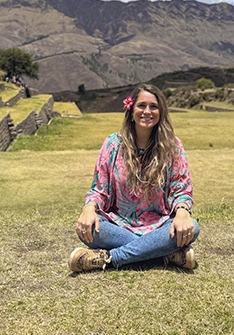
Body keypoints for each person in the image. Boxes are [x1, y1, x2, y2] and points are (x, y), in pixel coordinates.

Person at [69, 83, 199, 273]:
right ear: (131, 110)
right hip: (118, 225)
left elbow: (181, 188)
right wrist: (88, 208)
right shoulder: (113, 144)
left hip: (159, 225)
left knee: (192, 227)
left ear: (161, 112)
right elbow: (99, 188)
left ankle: (110, 259)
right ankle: (165, 253)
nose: (147, 111)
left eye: (154, 106)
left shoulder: (172, 146)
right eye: (141, 105)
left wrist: (182, 212)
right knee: (90, 229)